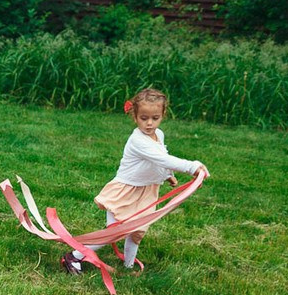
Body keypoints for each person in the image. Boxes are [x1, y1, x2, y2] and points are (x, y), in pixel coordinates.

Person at [62, 88, 205, 274]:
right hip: (126, 191)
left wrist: (167, 175)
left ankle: (128, 267)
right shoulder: (138, 140)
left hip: (146, 192)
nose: (149, 123)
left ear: (163, 115)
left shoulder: (158, 134)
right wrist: (192, 167)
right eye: (143, 118)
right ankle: (73, 257)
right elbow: (161, 158)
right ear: (135, 116)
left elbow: (161, 156)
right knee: (113, 232)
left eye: (155, 118)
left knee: (137, 232)